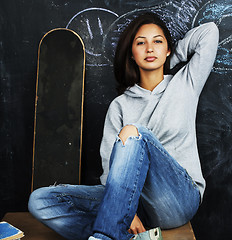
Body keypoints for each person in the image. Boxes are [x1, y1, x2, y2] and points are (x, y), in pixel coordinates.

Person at [28, 12, 219, 240]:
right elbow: (111, 172)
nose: (150, 49)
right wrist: (128, 210)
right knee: (40, 201)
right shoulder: (119, 106)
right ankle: (127, 236)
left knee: (134, 133)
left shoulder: (186, 83)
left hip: (178, 199)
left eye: (158, 41)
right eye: (141, 43)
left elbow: (210, 32)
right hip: (135, 204)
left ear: (168, 48)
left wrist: (171, 59)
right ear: (131, 54)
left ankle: (106, 236)